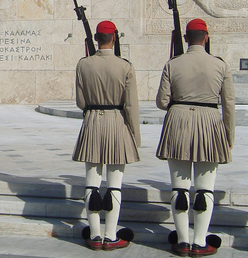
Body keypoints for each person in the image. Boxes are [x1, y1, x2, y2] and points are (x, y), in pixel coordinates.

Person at [156, 18, 235, 257]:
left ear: (186, 39)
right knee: (205, 189)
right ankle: (199, 242)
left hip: (178, 121)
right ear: (207, 37)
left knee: (179, 188)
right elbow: (229, 104)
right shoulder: (220, 65)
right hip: (210, 123)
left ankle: (182, 240)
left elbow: (161, 101)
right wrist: (229, 135)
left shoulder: (173, 63)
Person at [72, 20, 140, 251]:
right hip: (117, 123)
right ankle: (110, 236)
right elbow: (130, 106)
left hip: (92, 122)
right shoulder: (125, 66)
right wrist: (135, 138)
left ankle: (94, 234)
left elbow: (81, 102)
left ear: (96, 39)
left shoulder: (83, 65)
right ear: (114, 38)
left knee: (91, 184)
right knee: (115, 185)